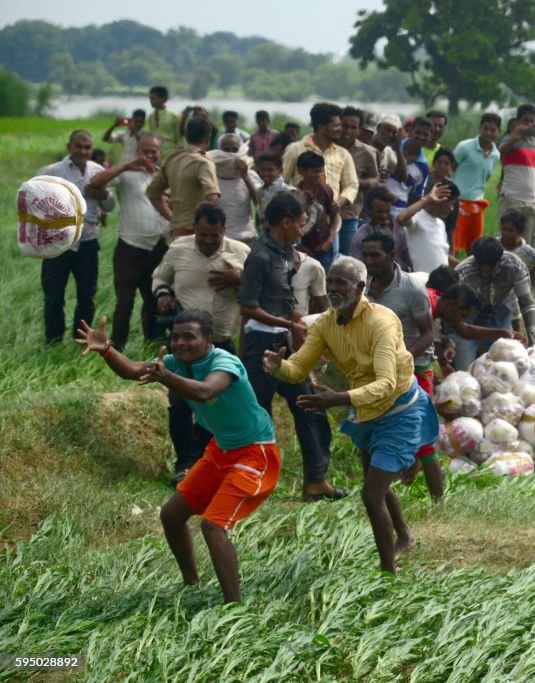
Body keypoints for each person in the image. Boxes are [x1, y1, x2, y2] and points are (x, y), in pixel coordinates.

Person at [77, 309, 279, 603]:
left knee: (213, 525)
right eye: (176, 337)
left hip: (254, 452)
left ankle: (234, 607)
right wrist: (107, 350)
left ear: (208, 340)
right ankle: (191, 585)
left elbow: (207, 392)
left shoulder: (224, 361)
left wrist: (166, 377)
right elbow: (133, 370)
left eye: (190, 337)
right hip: (220, 450)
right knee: (171, 515)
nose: (181, 343)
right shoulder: (173, 364)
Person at [265, 257, 438, 574]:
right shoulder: (326, 324)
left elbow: (386, 383)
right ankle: (405, 536)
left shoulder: (381, 322)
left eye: (341, 283)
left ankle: (387, 572)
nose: (332, 288)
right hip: (367, 410)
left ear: (360, 287)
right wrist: (281, 367)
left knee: (371, 494)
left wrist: (339, 398)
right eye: (330, 281)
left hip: (400, 409)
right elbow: (299, 368)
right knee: (379, 485)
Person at [238, 191, 341, 502]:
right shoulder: (259, 257)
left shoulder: (285, 252)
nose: (303, 229)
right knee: (258, 416)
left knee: (310, 406)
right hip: (261, 344)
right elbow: (247, 307)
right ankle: (253, 482)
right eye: (301, 223)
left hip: (284, 342)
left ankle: (316, 480)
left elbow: (284, 304)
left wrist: (307, 328)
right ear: (285, 223)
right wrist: (290, 325)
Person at [153, 203, 250, 481]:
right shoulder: (179, 249)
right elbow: (160, 276)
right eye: (203, 235)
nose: (208, 241)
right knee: (181, 405)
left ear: (224, 231)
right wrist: (162, 295)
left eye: (214, 236)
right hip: (185, 348)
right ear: (194, 229)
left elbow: (260, 288)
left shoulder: (240, 253)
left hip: (221, 342)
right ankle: (185, 462)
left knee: (218, 404)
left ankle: (208, 460)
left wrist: (239, 279)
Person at [360, 231, 443, 501]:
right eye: (366, 255)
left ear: (392, 256)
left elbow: (428, 335)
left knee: (422, 439)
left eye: (376, 255)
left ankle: (438, 502)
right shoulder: (363, 289)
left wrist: (399, 359)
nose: (370, 261)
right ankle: (378, 499)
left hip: (415, 368)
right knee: (373, 432)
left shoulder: (411, 288)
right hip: (378, 372)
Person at [86, 133, 169, 349]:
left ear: (160, 153)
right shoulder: (127, 174)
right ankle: (117, 348)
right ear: (137, 151)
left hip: (157, 247)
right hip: (130, 247)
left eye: (154, 151)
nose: (150, 155)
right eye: (145, 151)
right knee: (125, 303)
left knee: (153, 301)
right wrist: (125, 166)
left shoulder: (162, 176)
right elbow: (96, 181)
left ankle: (153, 345)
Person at [38, 129, 115, 344]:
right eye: (78, 146)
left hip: (87, 243)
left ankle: (81, 340)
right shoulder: (51, 171)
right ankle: (53, 342)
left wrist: (103, 195)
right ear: (69, 147)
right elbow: (32, 201)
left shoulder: (97, 171)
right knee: (54, 298)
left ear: (92, 148)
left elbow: (110, 205)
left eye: (87, 147)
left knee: (86, 297)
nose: (83, 151)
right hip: (57, 245)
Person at [454, 235, 535, 368]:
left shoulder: (515, 266)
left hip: (500, 317)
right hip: (469, 323)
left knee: (504, 370)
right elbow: (453, 312)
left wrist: (534, 345)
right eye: (480, 267)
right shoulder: (462, 273)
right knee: (464, 370)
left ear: (499, 261)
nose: (484, 273)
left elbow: (527, 304)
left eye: (489, 269)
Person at [281, 102, 357, 251]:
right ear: (321, 127)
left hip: (330, 224)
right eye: (336, 125)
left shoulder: (342, 153)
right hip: (299, 223)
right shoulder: (295, 149)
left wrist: (339, 203)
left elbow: (352, 185)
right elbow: (281, 180)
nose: (341, 129)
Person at [147, 116, 220, 239]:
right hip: (198, 235)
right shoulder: (203, 163)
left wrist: (171, 218)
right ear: (208, 139)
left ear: (185, 136)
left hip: (177, 231)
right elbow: (213, 199)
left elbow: (152, 193)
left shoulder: (172, 159)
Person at [498, 103, 535, 247]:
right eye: (526, 121)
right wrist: (514, 138)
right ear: (518, 122)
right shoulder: (509, 139)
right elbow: (501, 151)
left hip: (531, 202)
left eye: (532, 122)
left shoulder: (534, 145)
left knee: (527, 245)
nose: (530, 125)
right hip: (512, 199)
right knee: (507, 242)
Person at [452, 112, 501, 251]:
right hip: (457, 203)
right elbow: (449, 170)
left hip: (477, 204)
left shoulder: (496, 155)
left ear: (499, 132)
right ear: (479, 128)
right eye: (485, 128)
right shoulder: (464, 147)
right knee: (453, 246)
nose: (488, 133)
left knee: (474, 247)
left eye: (493, 130)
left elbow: (485, 177)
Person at [336, 106, 380, 258]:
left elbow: (376, 179)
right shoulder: (328, 147)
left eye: (353, 127)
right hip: (326, 213)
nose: (347, 131)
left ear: (360, 130)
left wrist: (356, 183)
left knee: (347, 258)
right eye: (344, 126)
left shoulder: (368, 152)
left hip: (350, 213)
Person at [397, 180, 458, 273]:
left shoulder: (440, 224)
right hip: (424, 283)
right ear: (443, 200)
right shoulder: (417, 218)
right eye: (452, 203)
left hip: (443, 282)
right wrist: (427, 199)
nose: (452, 208)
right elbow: (401, 219)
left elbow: (441, 255)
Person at [294, 151, 340, 271]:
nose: (319, 175)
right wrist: (301, 247)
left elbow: (334, 217)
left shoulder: (325, 190)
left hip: (323, 247)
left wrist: (329, 240)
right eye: (314, 172)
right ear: (301, 171)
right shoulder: (295, 195)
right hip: (303, 250)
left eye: (321, 171)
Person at [350, 186, 413, 271]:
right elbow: (356, 267)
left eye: (387, 211)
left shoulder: (399, 228)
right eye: (379, 212)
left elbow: (410, 257)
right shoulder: (360, 236)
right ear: (370, 210)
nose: (384, 216)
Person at [210, 134, 259, 245]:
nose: (231, 154)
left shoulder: (250, 175)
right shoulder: (211, 177)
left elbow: (260, 203)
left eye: (235, 150)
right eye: (226, 150)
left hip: (247, 239)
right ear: (219, 151)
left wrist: (245, 177)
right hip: (220, 240)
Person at [387, 116, 432, 216]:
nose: (421, 137)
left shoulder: (423, 167)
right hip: (375, 206)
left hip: (398, 212)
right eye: (418, 132)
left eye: (425, 134)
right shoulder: (392, 146)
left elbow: (416, 197)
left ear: (430, 137)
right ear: (410, 131)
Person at [499, 209, 535, 286]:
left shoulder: (526, 250)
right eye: (504, 229)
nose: (506, 233)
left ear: (520, 232)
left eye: (510, 230)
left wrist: (531, 272)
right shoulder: (495, 245)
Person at [255, 153, 294, 226]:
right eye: (262, 170)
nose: (265, 173)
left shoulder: (288, 190)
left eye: (270, 170)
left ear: (280, 171)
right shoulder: (260, 191)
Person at [146, 85, 180, 154]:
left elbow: (180, 137)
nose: (150, 101)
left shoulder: (173, 116)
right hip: (154, 153)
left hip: (170, 152)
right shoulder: (151, 116)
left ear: (163, 99)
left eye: (153, 98)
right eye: (150, 98)